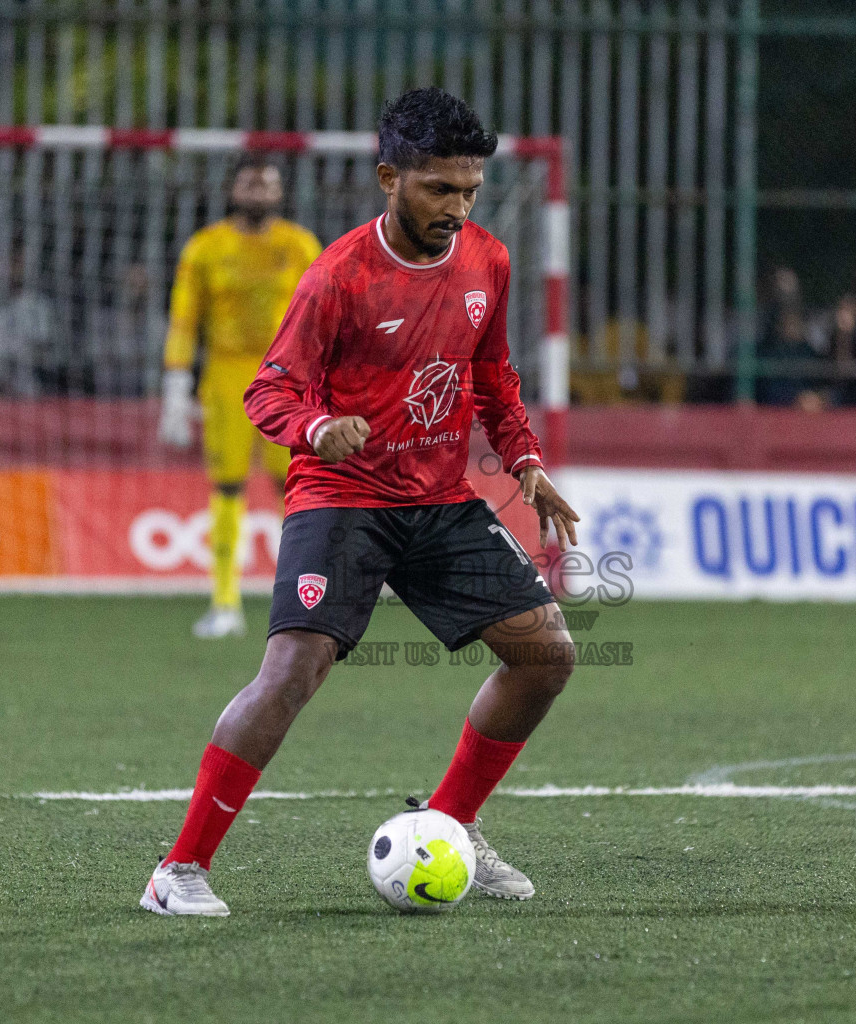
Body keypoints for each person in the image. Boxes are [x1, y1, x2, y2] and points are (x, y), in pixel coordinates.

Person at [140, 88, 580, 917]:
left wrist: (523, 458)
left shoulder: (487, 259)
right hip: (343, 497)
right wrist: (314, 426)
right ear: (390, 177)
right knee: (292, 670)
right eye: (439, 189)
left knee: (548, 652)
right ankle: (178, 869)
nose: (458, 207)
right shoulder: (336, 276)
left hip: (441, 500)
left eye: (469, 190)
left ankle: (451, 820)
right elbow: (269, 391)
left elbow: (492, 373)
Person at [159, 155, 322, 638]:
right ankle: (225, 602)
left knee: (294, 488)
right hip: (226, 377)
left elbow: (325, 314)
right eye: (249, 183)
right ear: (234, 191)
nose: (258, 191)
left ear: (279, 192)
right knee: (227, 486)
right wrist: (174, 384)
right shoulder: (206, 248)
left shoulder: (299, 245)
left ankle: (301, 599)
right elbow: (184, 319)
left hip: (287, 378)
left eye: (267, 183)